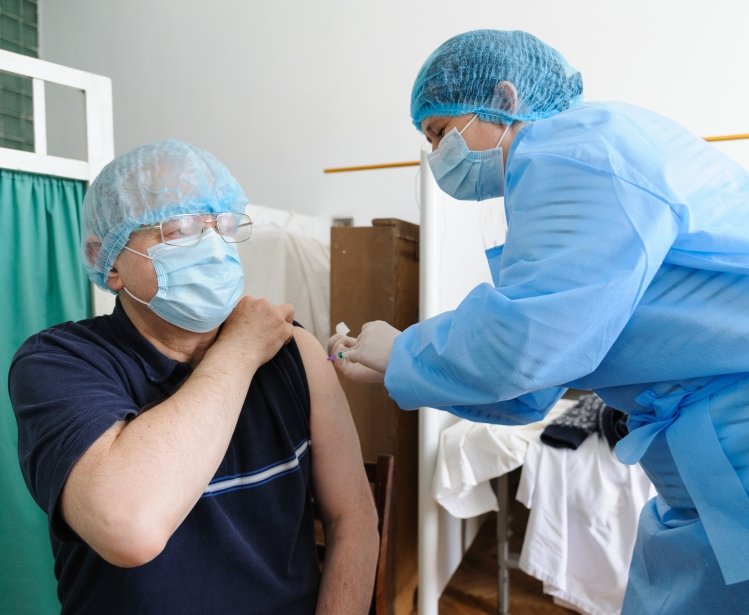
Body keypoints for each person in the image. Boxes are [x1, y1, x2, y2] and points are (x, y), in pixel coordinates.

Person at [329, 29, 749, 613]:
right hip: (710, 452)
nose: (436, 158)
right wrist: (404, 370)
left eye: (440, 134)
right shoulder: (573, 162)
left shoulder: (570, 152)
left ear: (504, 99)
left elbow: (526, 345)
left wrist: (404, 352)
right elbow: (532, 386)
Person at [9, 139, 379, 615]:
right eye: (178, 227)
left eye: (222, 224)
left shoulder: (292, 352)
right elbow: (129, 527)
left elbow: (353, 519)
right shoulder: (59, 362)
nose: (211, 244)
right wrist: (240, 351)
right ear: (109, 259)